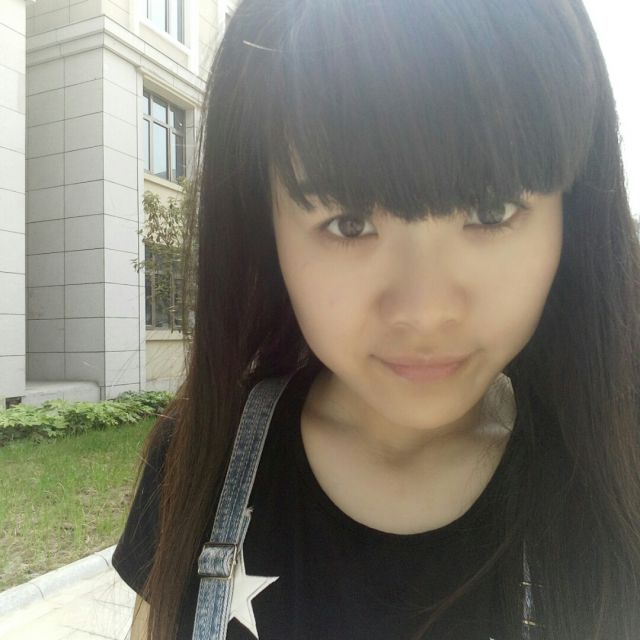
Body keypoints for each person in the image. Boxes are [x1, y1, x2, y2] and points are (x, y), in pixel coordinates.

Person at [112, 1, 640, 638]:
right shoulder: (200, 458)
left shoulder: (618, 475)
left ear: (571, 215)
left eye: (491, 212)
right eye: (350, 223)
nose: (424, 311)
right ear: (265, 226)